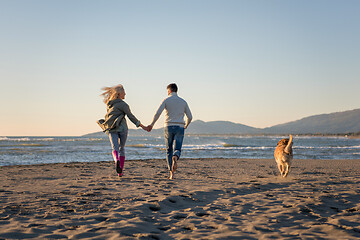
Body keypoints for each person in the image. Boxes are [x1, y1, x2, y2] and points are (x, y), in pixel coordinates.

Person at [97, 84, 149, 177]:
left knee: (115, 148)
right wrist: (142, 126)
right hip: (123, 129)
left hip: (111, 128)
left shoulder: (109, 104)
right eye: (124, 91)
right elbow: (131, 116)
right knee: (122, 148)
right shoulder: (123, 105)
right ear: (119, 93)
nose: (125, 93)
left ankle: (116, 159)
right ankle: (120, 172)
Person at [148, 83, 192, 179]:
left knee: (169, 150)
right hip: (180, 126)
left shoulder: (166, 100)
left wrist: (152, 124)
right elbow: (190, 116)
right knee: (177, 148)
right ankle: (176, 156)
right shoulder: (183, 102)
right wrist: (186, 125)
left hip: (168, 126)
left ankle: (171, 173)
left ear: (169, 91)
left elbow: (158, 113)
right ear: (176, 90)